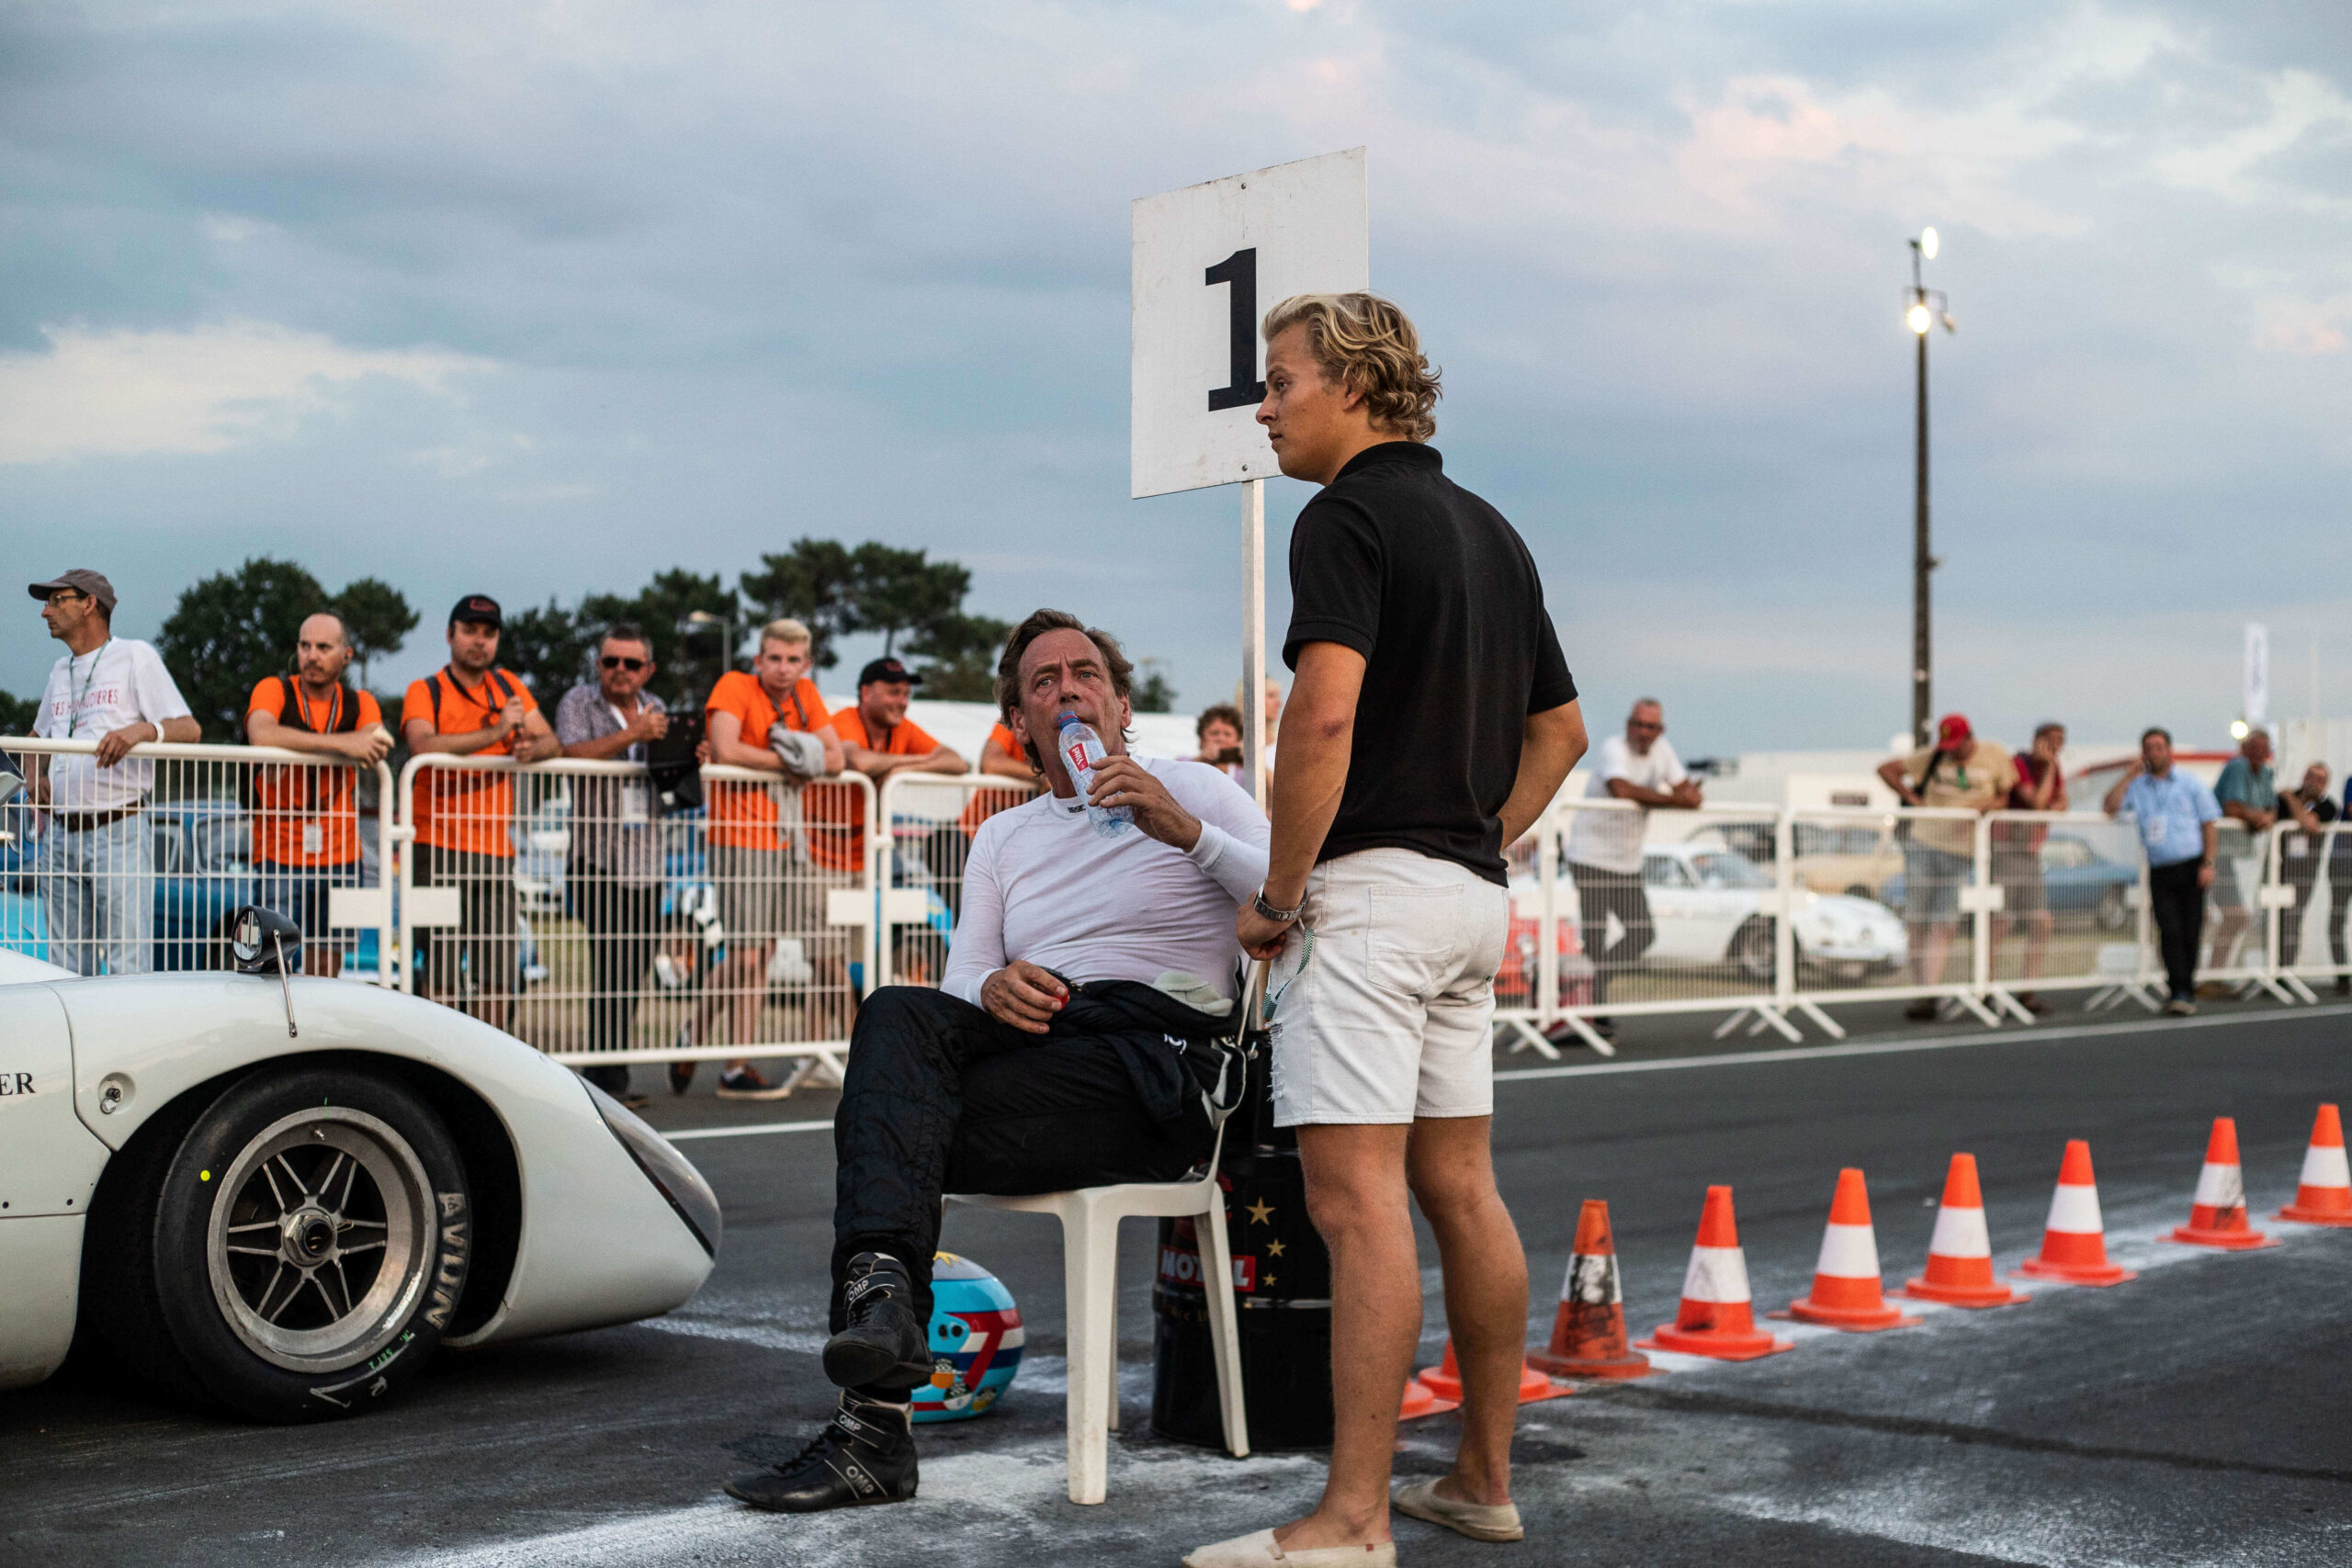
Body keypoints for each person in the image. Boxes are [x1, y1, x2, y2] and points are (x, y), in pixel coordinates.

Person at [722, 610, 1268, 1515]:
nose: (1068, 690)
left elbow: (1295, 892)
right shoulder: (1004, 835)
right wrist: (992, 986)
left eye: (1086, 674)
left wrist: (1183, 830)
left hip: (1153, 1065)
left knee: (891, 1134)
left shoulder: (1194, 786)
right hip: (1042, 1048)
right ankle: (882, 1313)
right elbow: (962, 979)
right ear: (1020, 721)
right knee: (895, 1015)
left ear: (1122, 704)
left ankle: (870, 1425)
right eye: (1044, 681)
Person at [1214, 292, 1584, 1566]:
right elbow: (1560, 732)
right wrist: (1474, 832)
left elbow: (1321, 717)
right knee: (1460, 1187)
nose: (1264, 408)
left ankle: (1353, 1518)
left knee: (1355, 1200)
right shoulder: (1492, 530)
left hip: (1370, 899)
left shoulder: (1344, 517)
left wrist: (1278, 894)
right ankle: (1481, 1478)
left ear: (1355, 385)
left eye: (1280, 381)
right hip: (1468, 899)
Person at [691, 619, 845, 1100]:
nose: (782, 668)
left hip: (786, 838)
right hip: (738, 834)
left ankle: (708, 1043)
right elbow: (725, 749)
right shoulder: (734, 685)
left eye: (793, 660)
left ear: (806, 664)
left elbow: (836, 759)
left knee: (762, 951)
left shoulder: (806, 696)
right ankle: (723, 1057)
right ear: (758, 660)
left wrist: (799, 761)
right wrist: (794, 762)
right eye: (774, 658)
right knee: (748, 952)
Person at [25, 570, 199, 976]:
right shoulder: (60, 670)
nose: (46, 612)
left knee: (127, 962)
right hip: (61, 835)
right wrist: (34, 777)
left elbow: (189, 729)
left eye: (56, 601)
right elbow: (34, 739)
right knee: (64, 967)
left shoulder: (135, 656)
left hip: (118, 829)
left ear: (90, 603)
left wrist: (142, 731)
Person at [401, 595, 560, 1024]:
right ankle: (437, 1055)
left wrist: (531, 748)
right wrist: (498, 732)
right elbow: (423, 744)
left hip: (495, 851)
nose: (479, 641)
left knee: (498, 970)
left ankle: (484, 1056)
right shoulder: (425, 690)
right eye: (470, 631)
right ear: (449, 634)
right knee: (442, 968)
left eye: (489, 633)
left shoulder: (508, 686)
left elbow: (552, 741)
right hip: (437, 847)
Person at [554, 624, 672, 1106]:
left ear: (648, 669)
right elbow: (569, 751)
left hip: (647, 857)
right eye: (610, 661)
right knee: (609, 962)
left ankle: (611, 1069)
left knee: (636, 964)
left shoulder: (657, 707)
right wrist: (633, 734)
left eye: (631, 663)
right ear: (598, 664)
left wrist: (690, 757)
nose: (620, 670)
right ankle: (604, 1079)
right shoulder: (578, 702)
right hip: (595, 856)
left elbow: (668, 775)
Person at [244, 610, 394, 977]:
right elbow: (262, 733)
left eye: (324, 647)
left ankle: (319, 1019)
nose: (312, 655)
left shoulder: (360, 701)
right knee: (273, 964)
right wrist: (344, 744)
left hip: (341, 855)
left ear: (346, 655)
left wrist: (298, 742)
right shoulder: (274, 689)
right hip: (279, 852)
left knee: (328, 966)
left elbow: (376, 742)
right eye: (305, 645)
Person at [1561, 698, 1699, 1037]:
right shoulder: (1613, 748)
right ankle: (1594, 1012)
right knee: (1595, 937)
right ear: (1628, 725)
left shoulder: (1663, 752)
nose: (1643, 732)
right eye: (1638, 724)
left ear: (1660, 730)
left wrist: (1688, 796)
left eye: (1650, 726)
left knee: (1641, 932)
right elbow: (1620, 789)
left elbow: (1689, 793)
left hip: (1626, 861)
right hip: (1590, 856)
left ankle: (1588, 993)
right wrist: (1676, 800)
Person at [1878, 715, 2015, 1021]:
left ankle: (1931, 988)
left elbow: (2005, 797)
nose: (1952, 752)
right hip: (1923, 842)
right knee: (1917, 919)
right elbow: (1886, 769)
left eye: (1956, 745)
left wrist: (1982, 806)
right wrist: (1911, 798)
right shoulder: (1933, 756)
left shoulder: (1993, 754)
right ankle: (1924, 993)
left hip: (1962, 851)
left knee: (1944, 922)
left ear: (1970, 738)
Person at [2103, 727, 2220, 1016]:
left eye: (2158, 747)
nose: (2153, 753)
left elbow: (2209, 823)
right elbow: (2110, 807)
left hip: (2191, 865)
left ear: (2169, 750)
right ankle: (2177, 989)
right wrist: (2128, 776)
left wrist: (2208, 863)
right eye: (2148, 748)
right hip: (2160, 868)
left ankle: (2186, 987)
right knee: (2169, 929)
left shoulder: (2190, 783)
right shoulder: (2138, 786)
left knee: (2191, 930)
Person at [1988, 721, 2067, 1013]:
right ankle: (1987, 986)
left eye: (2060, 741)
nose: (2056, 747)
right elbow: (2035, 802)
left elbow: (2062, 802)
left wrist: (2050, 779)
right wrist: (2048, 771)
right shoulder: (2019, 764)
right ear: (2036, 740)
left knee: (2041, 921)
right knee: (2001, 921)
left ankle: (2028, 990)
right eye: (2050, 740)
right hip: (2006, 849)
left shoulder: (2054, 769)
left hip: (2032, 852)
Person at [2207, 729, 2278, 978]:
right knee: (2235, 916)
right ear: (2244, 749)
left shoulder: (2266, 773)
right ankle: (2210, 975)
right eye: (2253, 748)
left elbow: (2272, 807)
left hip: (2238, 855)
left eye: (2263, 749)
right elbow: (2231, 807)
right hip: (2218, 852)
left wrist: (2266, 817)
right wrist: (2256, 817)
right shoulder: (2237, 766)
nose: (2258, 754)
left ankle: (2213, 975)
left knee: (2236, 917)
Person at [2274, 762, 2341, 983]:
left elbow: (2308, 823)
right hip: (2277, 869)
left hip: (2304, 873)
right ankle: (2273, 968)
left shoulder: (2328, 806)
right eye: (2311, 777)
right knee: (2273, 918)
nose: (2314, 783)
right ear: (2304, 777)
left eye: (2320, 780)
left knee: (2292, 919)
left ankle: (2286, 971)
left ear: (2326, 784)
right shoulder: (2284, 800)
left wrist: (2290, 798)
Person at [1193, 703, 1246, 782]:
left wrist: (1250, 761)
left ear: (1238, 740)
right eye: (1214, 733)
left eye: (1227, 734)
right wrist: (1200, 760)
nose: (1221, 739)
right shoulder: (1185, 763)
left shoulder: (1245, 772)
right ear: (1202, 738)